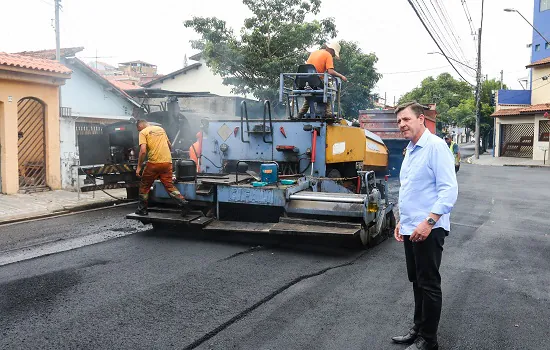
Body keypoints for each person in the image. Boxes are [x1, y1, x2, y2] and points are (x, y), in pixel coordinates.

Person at [392, 102, 458, 350]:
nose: (402, 125)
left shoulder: (436, 147)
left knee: (429, 283)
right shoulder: (411, 149)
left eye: (406, 119)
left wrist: (429, 222)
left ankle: (429, 340)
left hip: (430, 228)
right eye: (399, 121)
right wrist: (401, 221)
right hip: (412, 228)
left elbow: (448, 190)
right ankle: (417, 330)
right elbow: (410, 189)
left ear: (421, 119)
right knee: (417, 281)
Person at [134, 120, 189, 216]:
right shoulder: (160, 129)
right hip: (167, 162)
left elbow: (143, 151)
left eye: (138, 129)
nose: (139, 131)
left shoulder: (143, 132)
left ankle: (142, 209)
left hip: (154, 163)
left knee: (145, 185)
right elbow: (169, 145)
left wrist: (139, 167)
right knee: (169, 186)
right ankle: (183, 202)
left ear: (140, 125)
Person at [298, 40, 348, 118]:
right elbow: (330, 71)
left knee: (309, 95)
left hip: (303, 82)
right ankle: (328, 112)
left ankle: (301, 113)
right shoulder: (328, 55)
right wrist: (341, 76)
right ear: (332, 50)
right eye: (334, 54)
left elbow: (312, 69)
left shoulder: (314, 52)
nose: (333, 56)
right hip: (315, 82)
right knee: (330, 89)